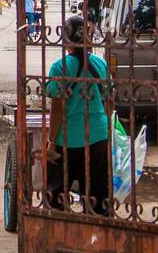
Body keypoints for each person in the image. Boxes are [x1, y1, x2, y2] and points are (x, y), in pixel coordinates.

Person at [44, 15, 110, 213]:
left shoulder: (61, 66)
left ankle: (61, 233)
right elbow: (108, 99)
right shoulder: (100, 64)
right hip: (98, 135)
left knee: (56, 194)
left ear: (66, 40)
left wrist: (51, 141)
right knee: (96, 194)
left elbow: (57, 107)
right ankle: (99, 234)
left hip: (69, 138)